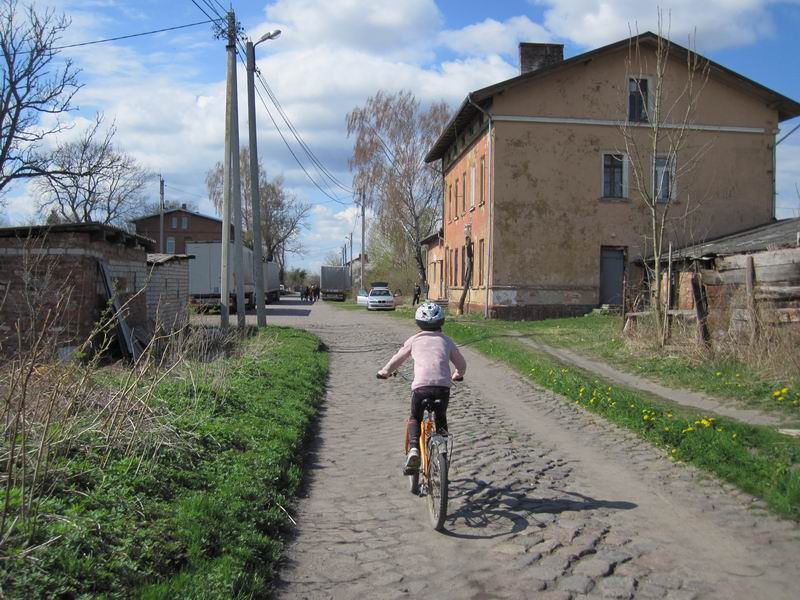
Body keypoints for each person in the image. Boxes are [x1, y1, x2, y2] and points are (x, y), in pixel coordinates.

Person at [376, 302, 466, 473]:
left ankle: (413, 450)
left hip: (421, 389)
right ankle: (442, 447)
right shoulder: (447, 341)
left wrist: (385, 371)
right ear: (442, 322)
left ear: (419, 323)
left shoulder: (414, 340)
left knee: (415, 417)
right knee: (441, 417)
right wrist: (458, 375)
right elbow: (461, 364)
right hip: (442, 389)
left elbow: (398, 358)